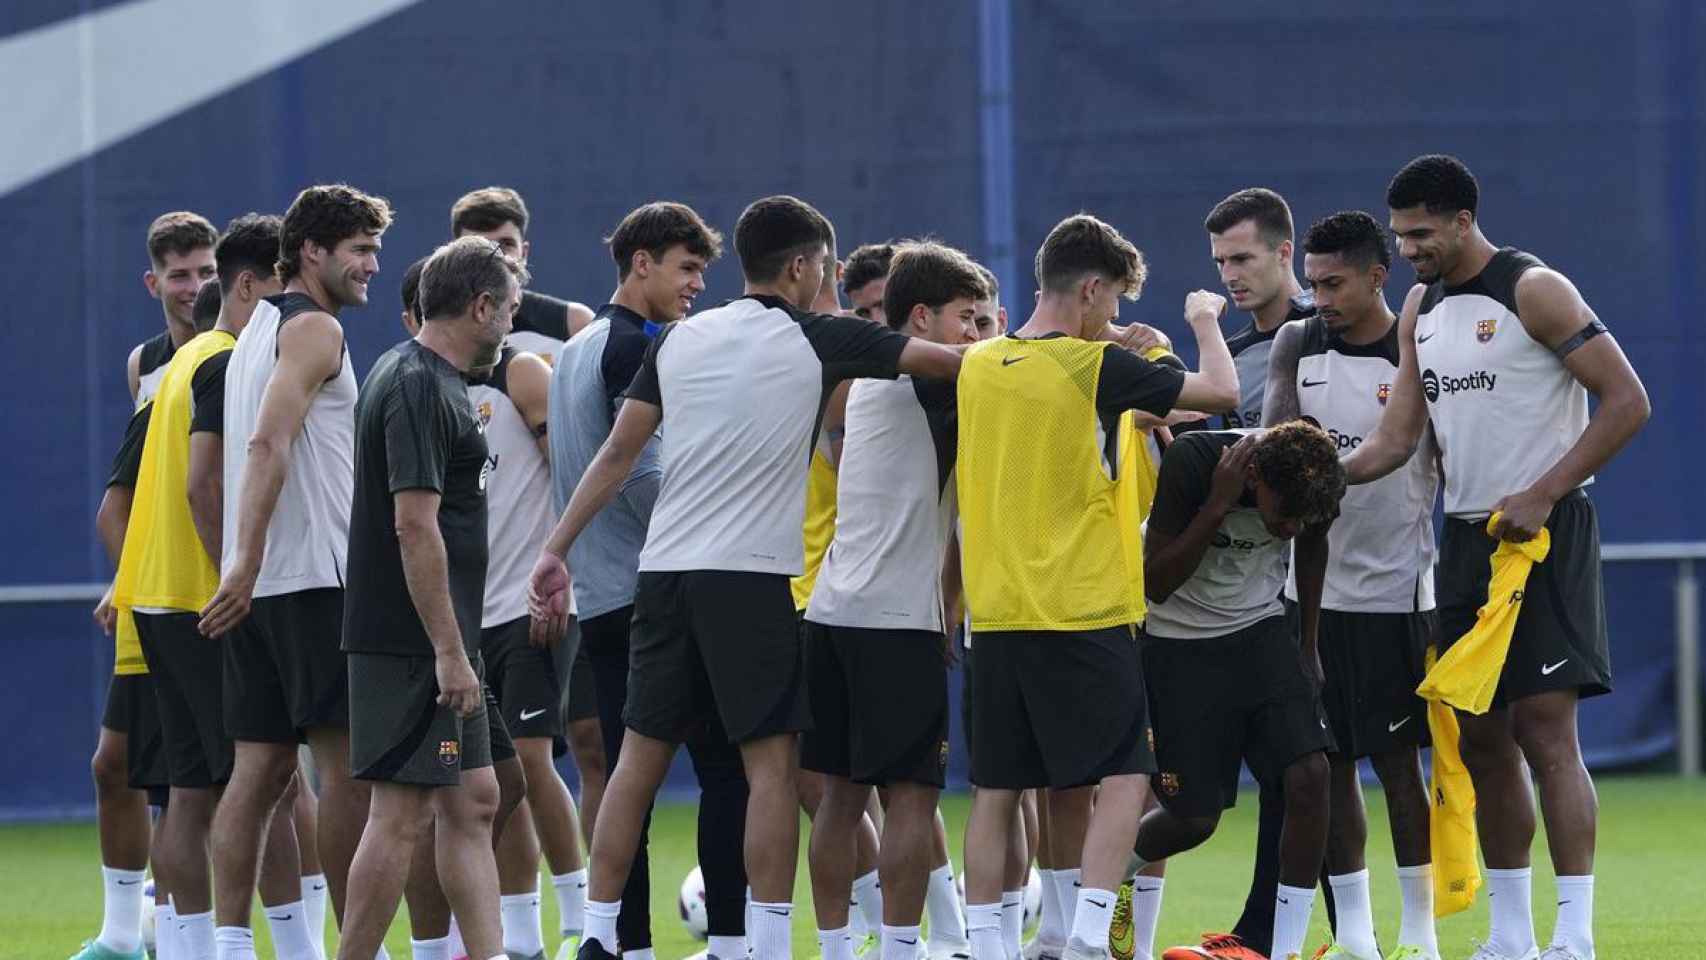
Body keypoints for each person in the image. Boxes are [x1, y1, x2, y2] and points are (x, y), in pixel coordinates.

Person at [529, 194, 965, 960]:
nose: (825, 282)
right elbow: (948, 362)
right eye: (824, 269)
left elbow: (618, 454)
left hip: (662, 575)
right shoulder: (820, 336)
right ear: (800, 267)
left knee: (638, 760)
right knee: (772, 768)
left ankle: (600, 934)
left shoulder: (681, 339)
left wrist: (555, 549)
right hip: (750, 579)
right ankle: (761, 944)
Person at [1346, 154, 1651, 960]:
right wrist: (1311, 474)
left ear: (1461, 221)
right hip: (1465, 540)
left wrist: (1545, 491)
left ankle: (1574, 937)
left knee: (1548, 732)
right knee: (1480, 740)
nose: (1409, 250)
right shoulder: (1419, 307)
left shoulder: (1534, 289)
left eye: (1421, 234)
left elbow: (1628, 402)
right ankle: (1512, 936)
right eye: (1400, 236)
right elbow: (1395, 439)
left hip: (1545, 536)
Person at [954, 212, 1237, 960]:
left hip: (995, 615)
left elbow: (1057, 386)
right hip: (1082, 609)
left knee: (997, 790)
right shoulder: (1094, 369)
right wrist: (1203, 320)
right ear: (1089, 288)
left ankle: (988, 947)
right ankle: (1085, 938)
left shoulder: (979, 362)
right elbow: (1221, 391)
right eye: (1111, 302)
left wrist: (1110, 342)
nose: (1114, 316)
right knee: (1123, 776)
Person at [547, 201, 750, 960]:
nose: (698, 284)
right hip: (655, 595)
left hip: (602, 598)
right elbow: (641, 473)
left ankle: (622, 943)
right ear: (641, 263)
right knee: (727, 771)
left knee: (624, 781)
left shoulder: (579, 346)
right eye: (687, 268)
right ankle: (731, 945)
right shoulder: (635, 347)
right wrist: (717, 530)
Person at [200, 185, 392, 953]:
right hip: (314, 582)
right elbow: (265, 445)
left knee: (258, 775)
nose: (373, 265)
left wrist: (242, 568)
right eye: (360, 250)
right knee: (348, 778)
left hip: (268, 589)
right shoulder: (313, 330)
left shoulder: (252, 332)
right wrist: (242, 562)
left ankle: (226, 945)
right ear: (311, 251)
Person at [333, 236, 526, 960]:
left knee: (476, 801)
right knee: (400, 816)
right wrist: (448, 651)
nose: (509, 324)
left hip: (447, 641)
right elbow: (413, 525)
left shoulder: (431, 378)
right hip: (415, 645)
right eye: (506, 310)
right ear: (479, 307)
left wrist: (458, 646)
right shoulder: (415, 382)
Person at [1263, 211, 1441, 960]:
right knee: (1328, 769)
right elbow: (1272, 442)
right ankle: (1360, 938)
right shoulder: (1297, 342)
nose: (1321, 297)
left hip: (1397, 593)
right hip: (1310, 599)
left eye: (1334, 283)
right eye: (1312, 283)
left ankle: (1423, 935)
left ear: (1379, 275)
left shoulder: (1419, 350)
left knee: (1401, 768)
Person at [801, 241, 986, 960]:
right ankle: (905, 949)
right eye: (967, 319)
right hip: (895, 626)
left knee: (841, 801)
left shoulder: (859, 383)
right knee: (911, 799)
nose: (976, 334)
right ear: (920, 318)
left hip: (829, 615)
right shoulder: (942, 387)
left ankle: (838, 949)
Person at [1162, 187, 1330, 960]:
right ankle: (1266, 936)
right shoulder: (1231, 354)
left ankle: (1332, 934)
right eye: (1220, 261)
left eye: (1244, 257)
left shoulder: (1326, 333)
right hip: (1241, 593)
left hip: (1340, 580)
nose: (1230, 274)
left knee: (1326, 772)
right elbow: (1205, 459)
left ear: (1285, 252)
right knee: (1281, 778)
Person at [1134, 422, 1347, 960]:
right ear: (1253, 476)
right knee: (1193, 820)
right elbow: (1155, 582)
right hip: (1177, 641)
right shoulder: (1195, 460)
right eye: (1282, 515)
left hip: (1259, 630)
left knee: (1310, 775)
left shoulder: (1313, 471)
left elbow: (1314, 545)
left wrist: (1308, 643)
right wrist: (1217, 506)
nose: (1290, 528)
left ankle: (1282, 949)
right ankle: (1104, 878)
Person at [72, 210, 217, 960]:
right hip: (153, 598)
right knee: (119, 764)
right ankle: (126, 932)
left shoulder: (243, 354)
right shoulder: (146, 365)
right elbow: (132, 495)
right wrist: (128, 580)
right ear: (153, 281)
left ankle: (262, 934)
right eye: (181, 274)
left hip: (218, 595)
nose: (194, 287)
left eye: (205, 271)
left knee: (253, 779)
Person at [451, 186, 597, 352]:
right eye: (479, 246)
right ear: (456, 254)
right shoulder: (438, 325)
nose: (494, 256)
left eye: (506, 244)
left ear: (524, 253)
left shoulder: (575, 324)